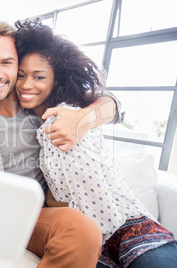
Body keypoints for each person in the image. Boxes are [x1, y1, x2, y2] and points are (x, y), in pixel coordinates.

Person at [0, 20, 124, 267]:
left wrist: (83, 119)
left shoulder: (41, 102)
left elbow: (113, 103)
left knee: (82, 229)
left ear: (17, 63)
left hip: (32, 218)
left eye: (6, 63)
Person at [14, 18, 177, 268]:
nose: (26, 84)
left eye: (39, 76)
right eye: (21, 75)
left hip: (130, 225)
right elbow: (60, 192)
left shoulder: (73, 111)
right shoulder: (26, 123)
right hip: (87, 237)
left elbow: (112, 104)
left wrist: (83, 119)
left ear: (55, 80)